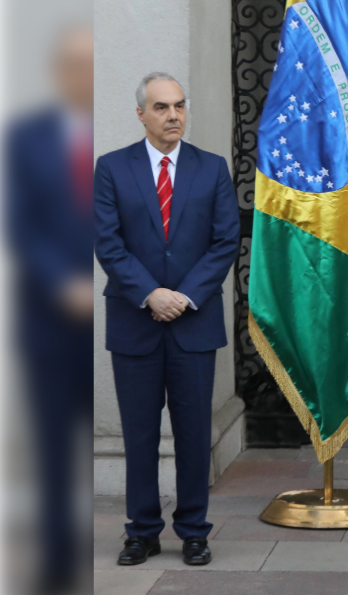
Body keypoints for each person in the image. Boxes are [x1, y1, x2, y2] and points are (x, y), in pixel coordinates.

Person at [94, 72, 240, 567]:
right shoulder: (112, 168)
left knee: (194, 433)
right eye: (161, 107)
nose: (173, 115)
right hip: (135, 322)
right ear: (141, 114)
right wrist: (150, 294)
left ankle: (194, 530)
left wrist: (184, 296)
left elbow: (224, 241)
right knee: (138, 435)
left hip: (193, 323)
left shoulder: (212, 168)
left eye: (179, 105)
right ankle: (142, 532)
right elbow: (108, 242)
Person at [6, 25, 94, 592]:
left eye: (92, 64)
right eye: (75, 65)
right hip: (49, 321)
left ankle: (132, 538)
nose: (84, 75)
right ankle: (58, 560)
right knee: (55, 449)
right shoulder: (26, 138)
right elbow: (19, 223)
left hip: (115, 318)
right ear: (59, 72)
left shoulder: (123, 137)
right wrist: (63, 283)